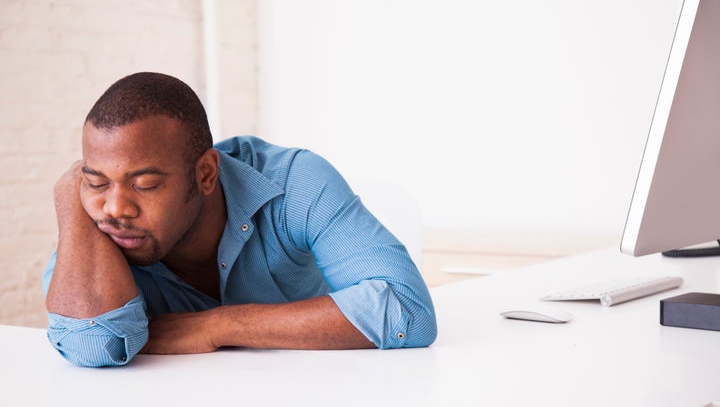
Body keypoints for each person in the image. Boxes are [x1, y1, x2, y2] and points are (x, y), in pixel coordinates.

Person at [43, 72, 437, 367]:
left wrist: (218, 326)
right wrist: (68, 196)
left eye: (144, 184)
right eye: (96, 181)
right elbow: (95, 346)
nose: (115, 209)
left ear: (205, 174)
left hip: (327, 398)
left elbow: (408, 310)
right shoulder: (96, 222)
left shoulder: (294, 182)